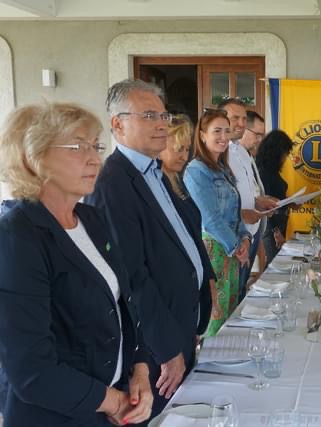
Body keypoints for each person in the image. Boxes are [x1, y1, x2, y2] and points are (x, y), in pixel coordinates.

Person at [0, 102, 153, 426]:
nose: (95, 158)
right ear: (34, 157)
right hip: (57, 416)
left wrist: (140, 369)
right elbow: (32, 370)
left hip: (109, 404)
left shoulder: (91, 218)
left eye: (96, 146)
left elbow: (123, 304)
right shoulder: (16, 235)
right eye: (77, 147)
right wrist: (112, 401)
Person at [86, 79, 214, 421]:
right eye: (148, 116)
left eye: (163, 115)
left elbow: (183, 239)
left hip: (179, 325)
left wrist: (204, 286)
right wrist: (165, 348)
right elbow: (131, 276)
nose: (162, 124)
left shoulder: (154, 171)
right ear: (117, 124)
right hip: (154, 344)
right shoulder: (112, 183)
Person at [184, 108, 252, 337]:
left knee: (230, 315)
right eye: (217, 131)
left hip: (231, 250)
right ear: (202, 135)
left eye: (226, 131)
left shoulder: (223, 169)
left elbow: (235, 211)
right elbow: (210, 218)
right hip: (213, 251)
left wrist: (245, 238)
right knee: (214, 319)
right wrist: (237, 247)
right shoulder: (196, 171)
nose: (224, 137)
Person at [227, 107, 279, 291]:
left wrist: (260, 201)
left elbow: (249, 190)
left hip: (253, 230)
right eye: (257, 134)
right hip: (233, 235)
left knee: (241, 287)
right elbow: (219, 201)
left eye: (243, 120)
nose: (259, 140)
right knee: (232, 290)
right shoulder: (222, 153)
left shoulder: (244, 153)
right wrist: (242, 214)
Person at [256, 129, 294, 266]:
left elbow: (276, 198)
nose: (286, 158)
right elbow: (265, 205)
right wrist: (276, 231)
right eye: (285, 153)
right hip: (271, 226)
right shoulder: (263, 172)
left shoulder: (272, 171)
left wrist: (291, 202)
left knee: (277, 261)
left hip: (279, 222)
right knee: (274, 265)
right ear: (276, 152)